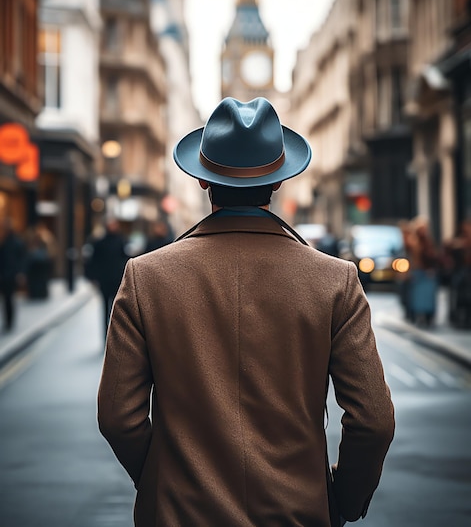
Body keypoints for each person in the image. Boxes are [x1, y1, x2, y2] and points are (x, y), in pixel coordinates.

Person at [98, 97, 395, 526]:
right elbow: (374, 420)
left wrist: (166, 480)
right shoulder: (336, 280)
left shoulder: (146, 277)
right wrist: (343, 501)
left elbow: (116, 417)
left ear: (203, 181)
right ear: (278, 182)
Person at [87, 218, 128, 340]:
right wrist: (94, 278)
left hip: (117, 280)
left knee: (117, 309)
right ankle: (106, 337)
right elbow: (93, 262)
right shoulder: (99, 243)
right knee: (105, 309)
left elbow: (125, 259)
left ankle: (116, 338)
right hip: (104, 280)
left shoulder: (121, 241)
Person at [0, 217, 26, 332]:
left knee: (9, 299)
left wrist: (20, 273)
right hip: (4, 274)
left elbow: (22, 259)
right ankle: (8, 321)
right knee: (6, 299)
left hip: (10, 275)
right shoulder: (3, 242)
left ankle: (9, 322)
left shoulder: (16, 242)